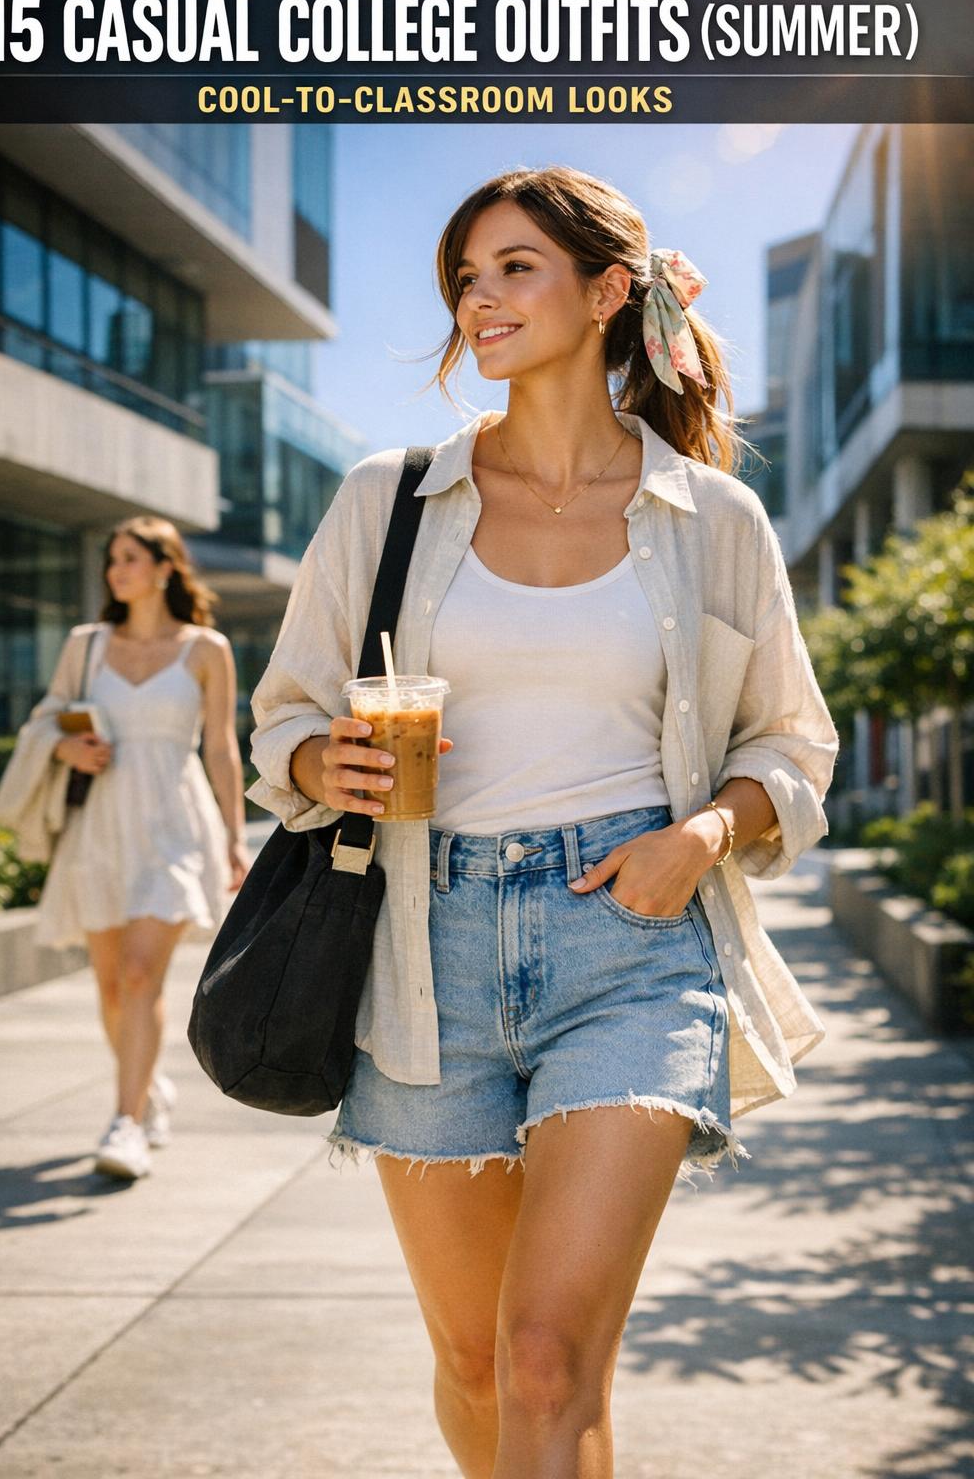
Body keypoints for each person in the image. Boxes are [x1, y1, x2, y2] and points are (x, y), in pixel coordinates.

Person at [247, 166, 840, 1479]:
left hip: (630, 942)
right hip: (423, 952)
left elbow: (791, 746)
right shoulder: (388, 499)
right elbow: (281, 720)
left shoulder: (711, 518)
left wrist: (703, 837)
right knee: (477, 1362)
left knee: (545, 1360)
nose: (481, 299)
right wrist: (325, 758)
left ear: (609, 289)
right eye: (467, 277)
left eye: (516, 267)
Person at [0, 516, 249, 1183]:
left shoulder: (206, 649)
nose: (116, 570)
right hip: (100, 826)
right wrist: (67, 747)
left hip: (174, 822)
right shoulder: (86, 645)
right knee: (109, 985)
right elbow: (47, 718)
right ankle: (147, 1087)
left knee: (139, 975)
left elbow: (221, 748)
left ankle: (125, 1123)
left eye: (131, 558)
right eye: (112, 560)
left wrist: (231, 837)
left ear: (166, 568)